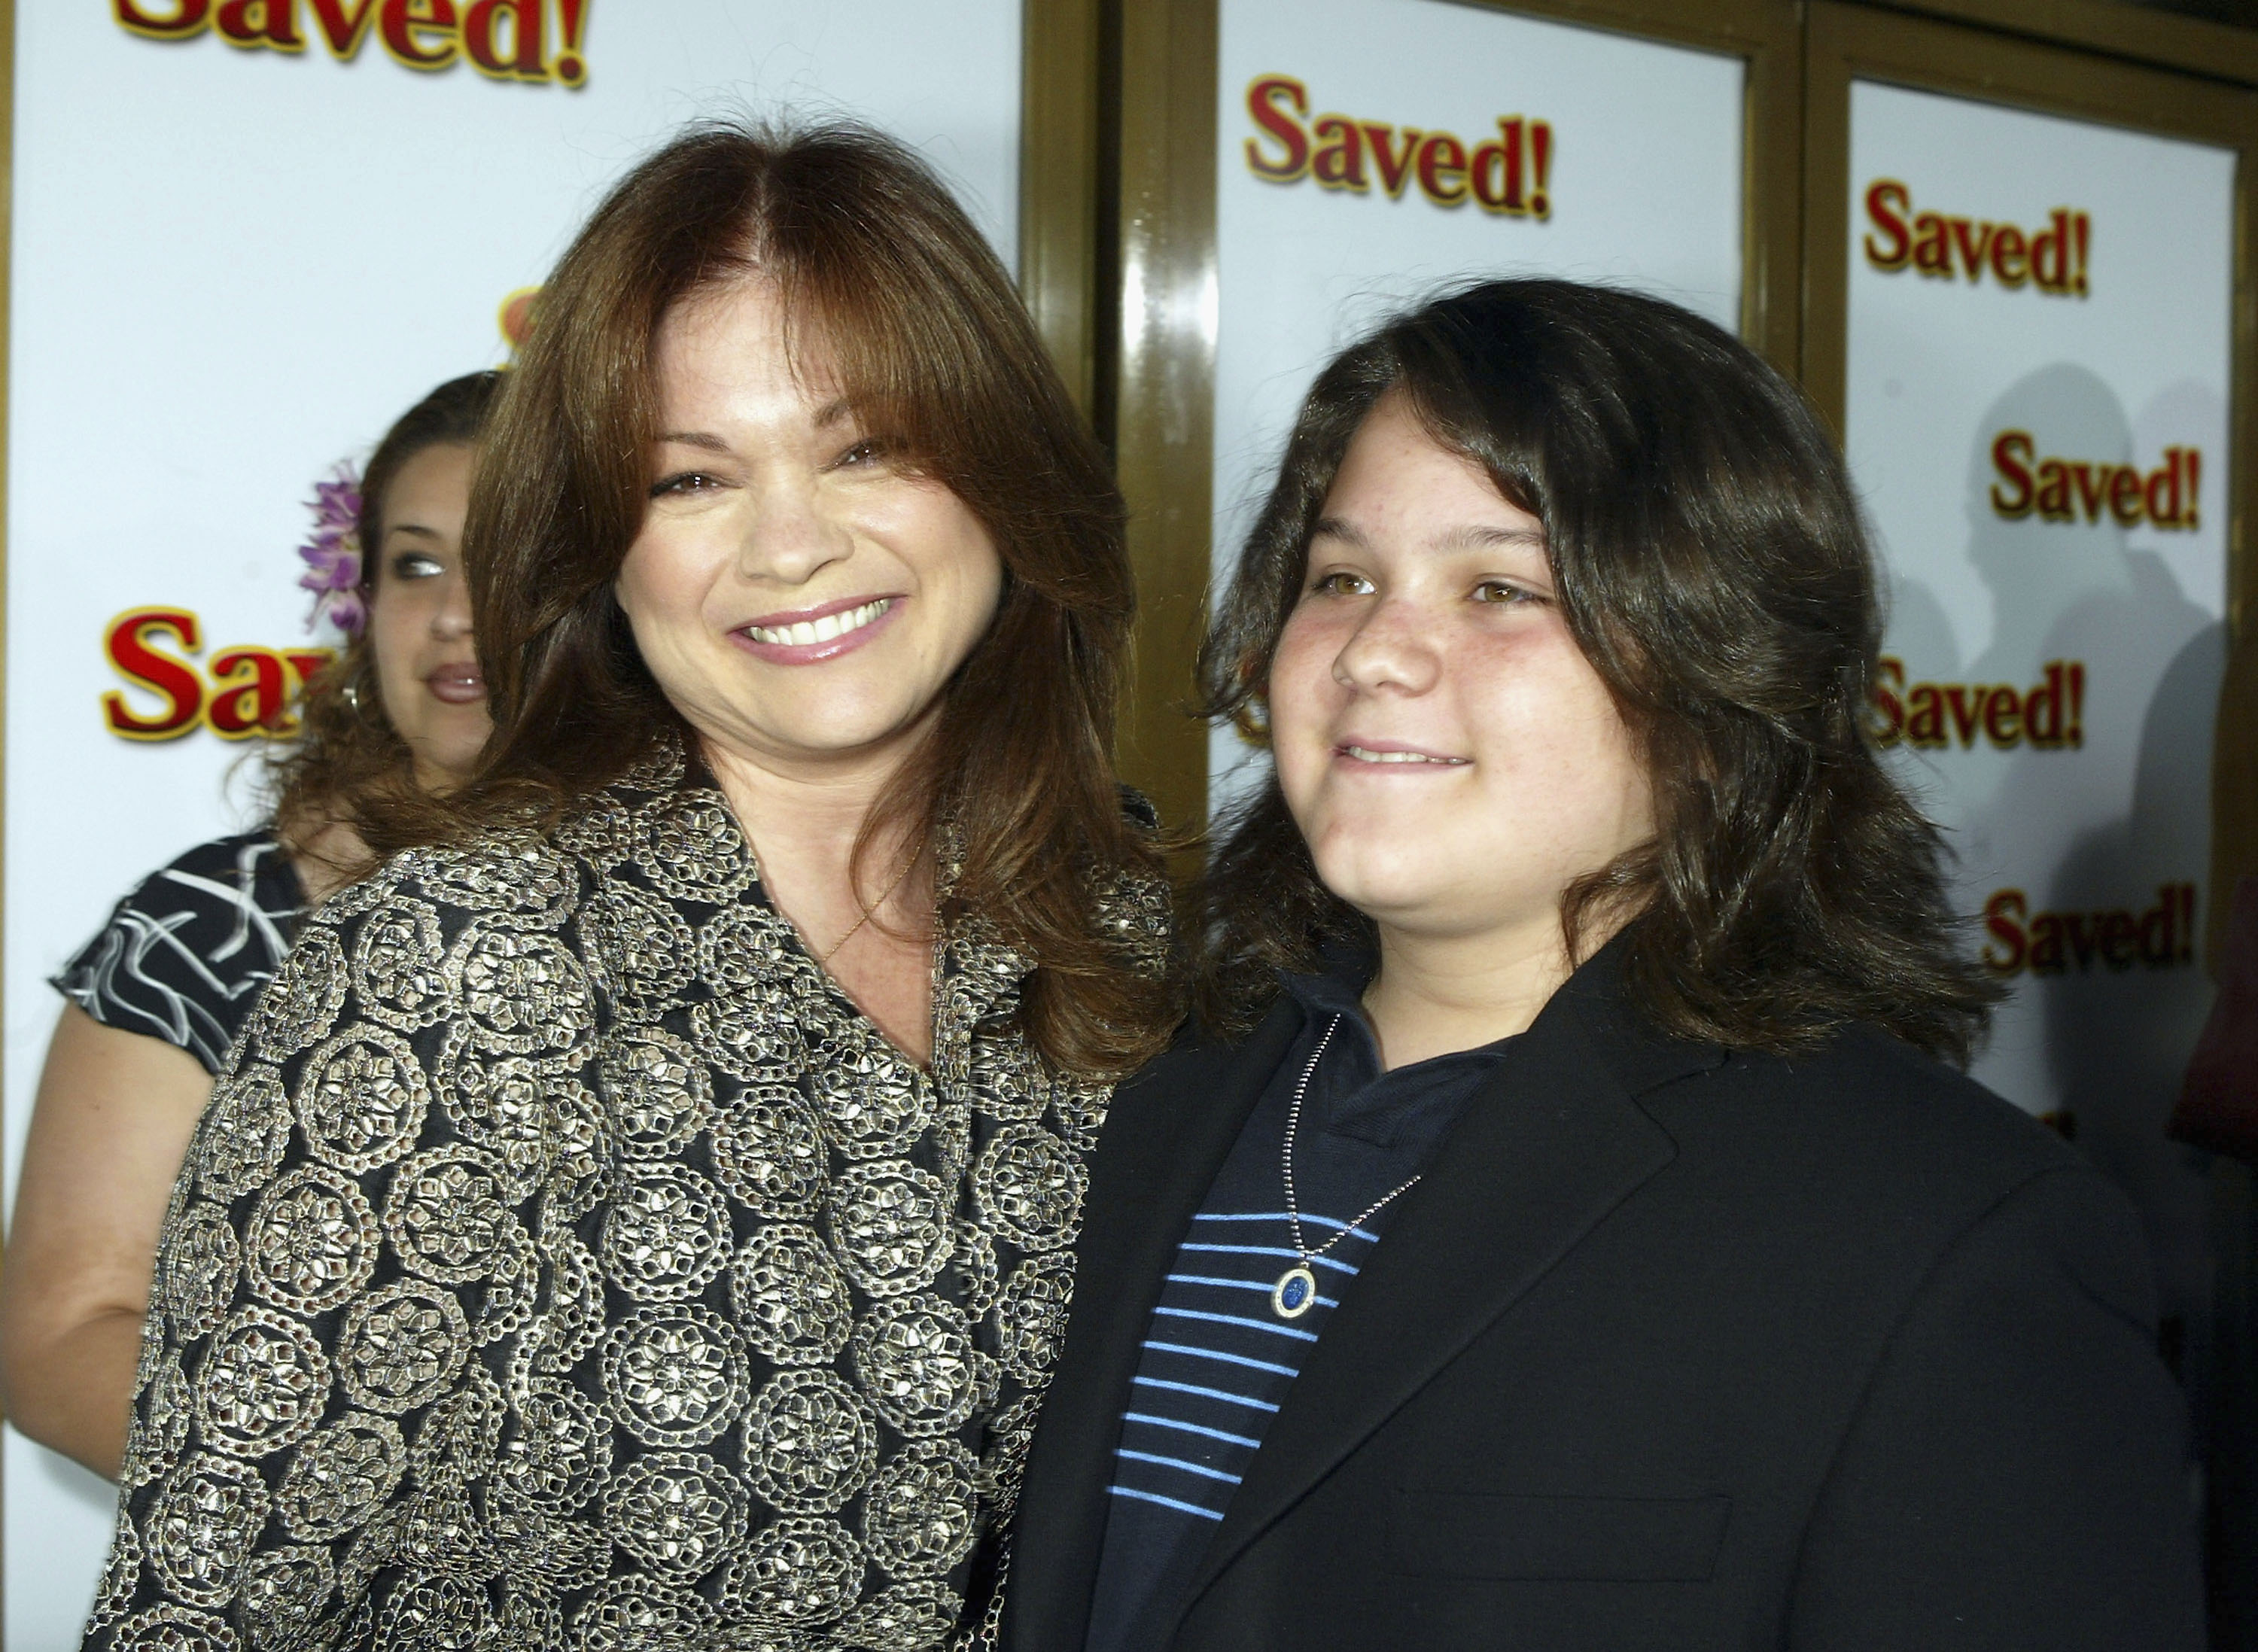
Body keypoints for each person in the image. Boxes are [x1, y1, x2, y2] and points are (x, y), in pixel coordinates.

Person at [81, 120, 1171, 1652]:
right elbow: (201, 1614)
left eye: (865, 447)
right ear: (601, 547)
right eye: (689, 479)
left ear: (1003, 472)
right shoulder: (457, 967)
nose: (792, 543)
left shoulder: (1133, 947)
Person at [1005, 279, 2208, 1652]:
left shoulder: (1946, 1246)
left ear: (1719, 675)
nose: (1376, 653)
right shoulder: (1139, 1103)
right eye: (1340, 578)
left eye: (1499, 588)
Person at [0, 370, 499, 1482]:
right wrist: (405, 1497)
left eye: (516, 553)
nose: (457, 609)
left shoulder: (770, 897)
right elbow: (62, 1340)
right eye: (416, 563)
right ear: (361, 600)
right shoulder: (214, 926)